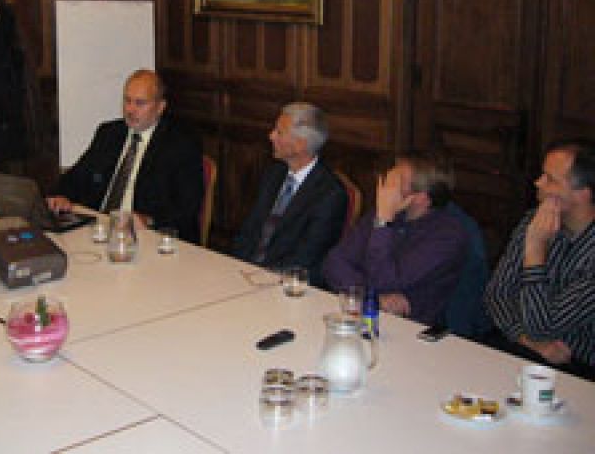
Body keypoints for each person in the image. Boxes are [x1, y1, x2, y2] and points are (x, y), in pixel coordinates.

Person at [47, 69, 204, 243]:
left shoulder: (181, 145)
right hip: (101, 228)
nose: (130, 110)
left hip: (149, 236)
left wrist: (149, 220)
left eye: (140, 103)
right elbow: (77, 175)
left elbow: (187, 206)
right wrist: (61, 194)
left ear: (160, 107)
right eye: (127, 101)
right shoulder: (109, 133)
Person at [484, 139, 595, 376]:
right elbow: (496, 295)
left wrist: (535, 249)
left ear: (583, 194)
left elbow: (541, 328)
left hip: (578, 369)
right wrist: (527, 341)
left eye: (550, 179)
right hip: (522, 347)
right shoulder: (535, 219)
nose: (538, 183)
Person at [323, 153, 468, 326]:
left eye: (396, 181)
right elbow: (334, 262)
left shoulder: (447, 236)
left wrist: (383, 221)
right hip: (363, 313)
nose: (385, 187)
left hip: (413, 328)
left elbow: (383, 280)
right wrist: (372, 298)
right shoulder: (386, 212)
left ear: (420, 198)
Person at [231, 102, 348, 285]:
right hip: (248, 274)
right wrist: (235, 266)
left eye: (279, 132)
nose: (271, 136)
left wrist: (260, 277)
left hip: (289, 285)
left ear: (300, 144)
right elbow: (248, 231)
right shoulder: (273, 173)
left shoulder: (330, 195)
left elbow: (306, 257)